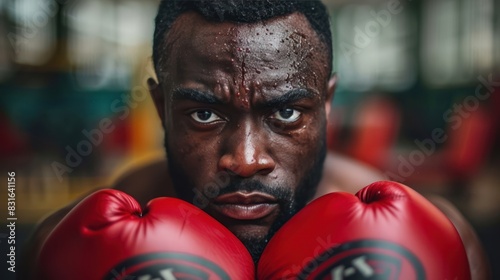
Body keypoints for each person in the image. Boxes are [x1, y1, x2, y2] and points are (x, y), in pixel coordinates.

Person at [20, 0, 491, 279]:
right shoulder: (68, 251)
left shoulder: (444, 247)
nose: (245, 161)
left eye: (285, 112)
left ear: (326, 104)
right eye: (204, 113)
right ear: (161, 106)